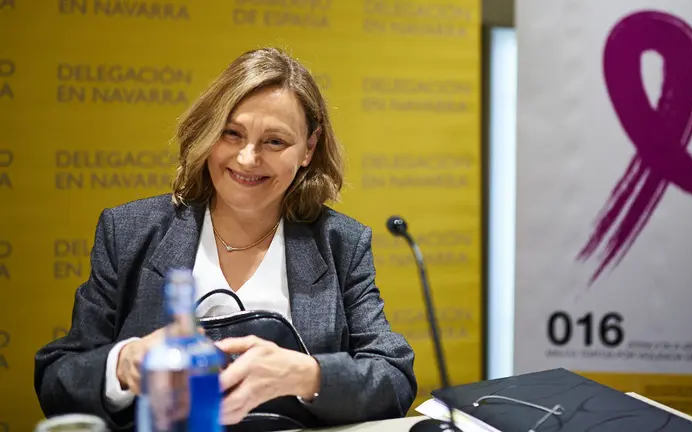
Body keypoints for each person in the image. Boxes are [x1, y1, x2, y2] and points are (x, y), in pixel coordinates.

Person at [34, 47, 417, 430]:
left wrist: (308, 375)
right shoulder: (129, 231)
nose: (247, 158)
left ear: (308, 149)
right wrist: (123, 364)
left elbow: (395, 379)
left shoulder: (341, 243)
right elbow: (57, 381)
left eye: (275, 142)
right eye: (231, 134)